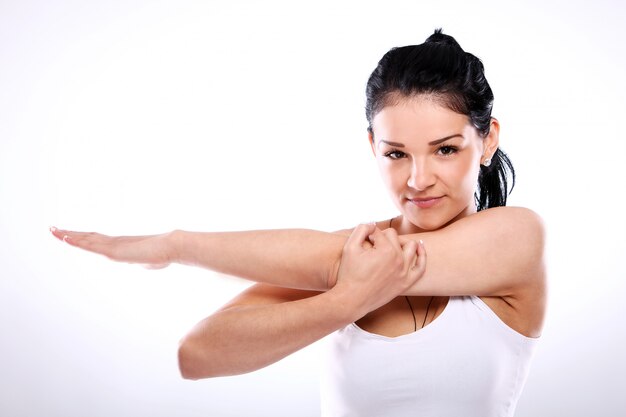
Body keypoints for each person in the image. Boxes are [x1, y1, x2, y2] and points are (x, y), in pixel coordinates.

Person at [49, 28, 546, 417]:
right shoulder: (341, 266)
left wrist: (177, 245)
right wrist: (344, 303)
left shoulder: (517, 238)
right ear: (372, 146)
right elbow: (195, 357)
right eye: (396, 153)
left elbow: (346, 261)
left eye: (445, 149)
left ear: (487, 139)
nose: (418, 179)